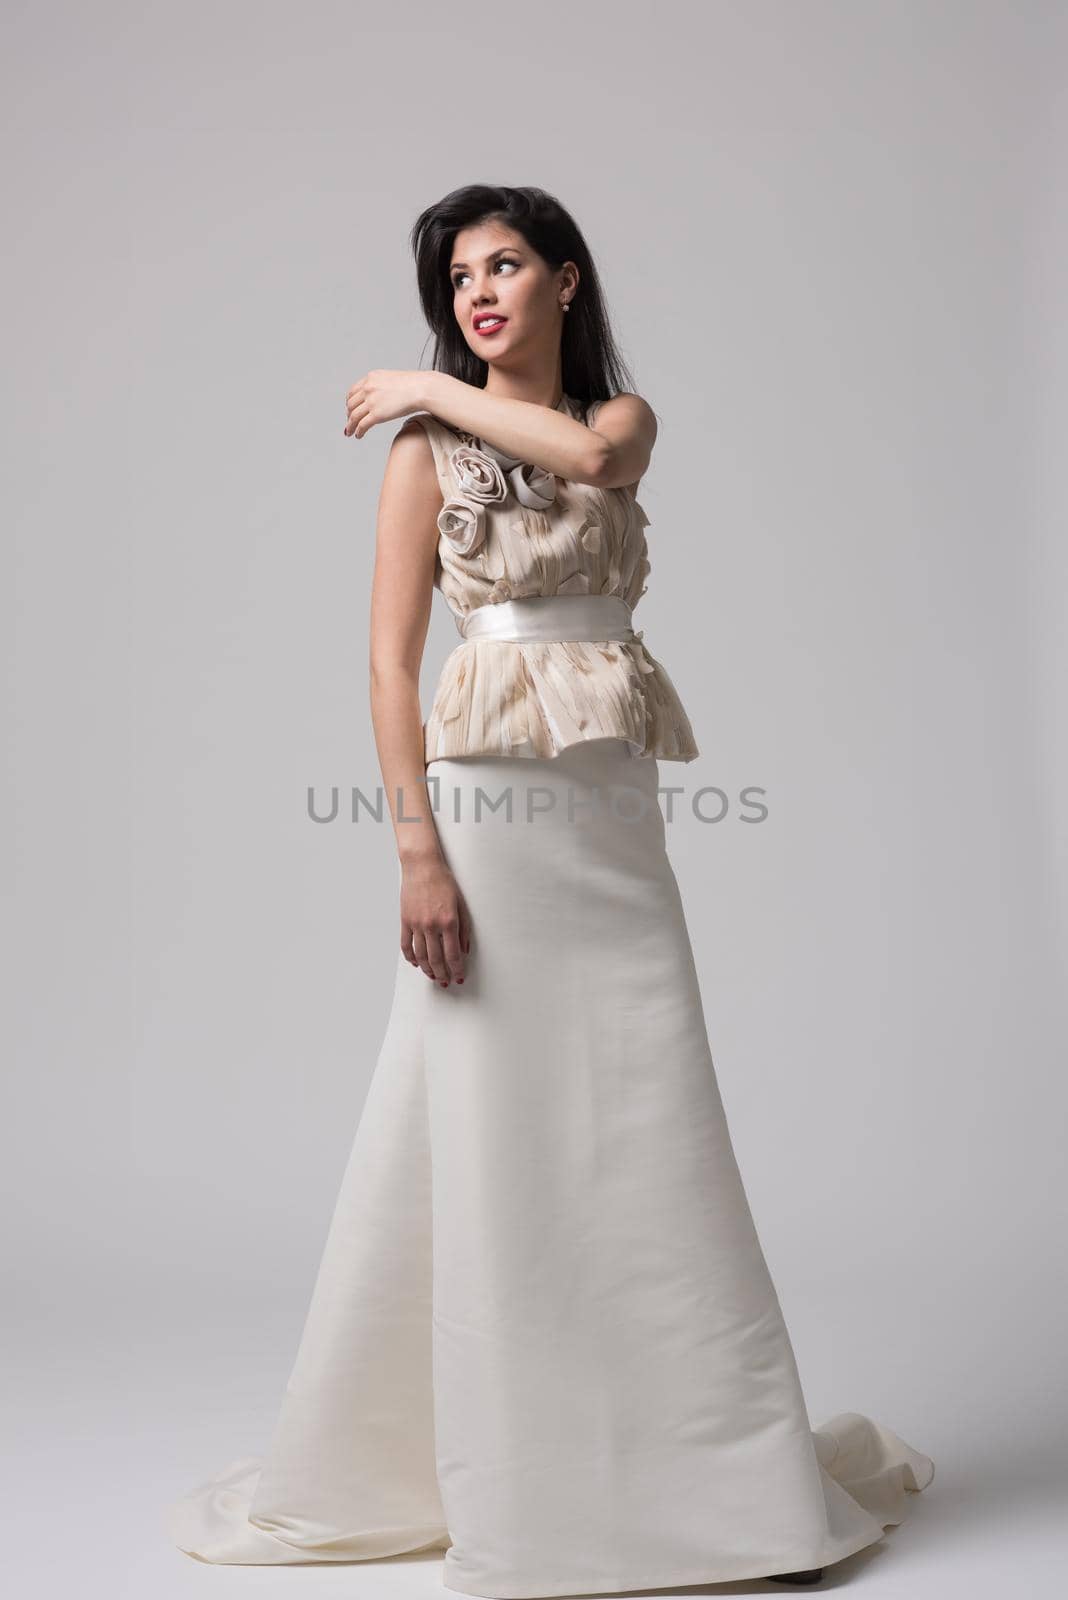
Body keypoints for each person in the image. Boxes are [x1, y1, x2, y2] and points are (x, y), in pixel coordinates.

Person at [167, 185, 934, 1595]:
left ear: (566, 283)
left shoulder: (619, 425)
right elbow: (388, 666)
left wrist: (424, 381)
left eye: (505, 264)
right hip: (487, 810)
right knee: (491, 1117)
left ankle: (688, 1462)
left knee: (644, 1107)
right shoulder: (422, 459)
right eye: (457, 276)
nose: (478, 292)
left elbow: (592, 453)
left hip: (610, 806)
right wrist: (415, 854)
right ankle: (514, 1463)